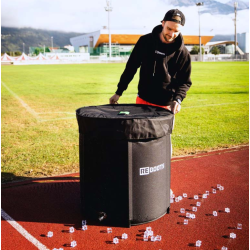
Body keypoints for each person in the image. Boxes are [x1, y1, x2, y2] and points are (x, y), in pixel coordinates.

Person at [109, 9, 192, 114]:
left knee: (163, 131)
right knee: (138, 130)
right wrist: (119, 92)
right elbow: (131, 67)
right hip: (143, 100)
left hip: (166, 105)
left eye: (176, 31)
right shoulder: (145, 41)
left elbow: (185, 81)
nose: (171, 34)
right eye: (169, 29)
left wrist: (178, 99)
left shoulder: (183, 53)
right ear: (163, 23)